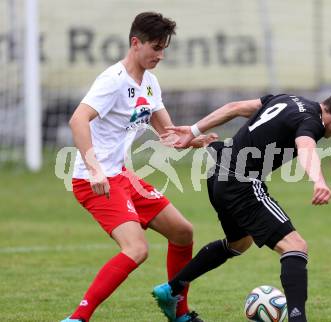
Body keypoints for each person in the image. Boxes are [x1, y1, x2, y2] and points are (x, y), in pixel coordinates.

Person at [152, 88, 331, 322]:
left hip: (218, 175)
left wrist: (194, 130)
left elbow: (233, 108)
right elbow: (306, 146)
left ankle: (171, 289)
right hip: (241, 183)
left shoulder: (288, 99)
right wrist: (318, 180)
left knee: (239, 243)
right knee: (295, 247)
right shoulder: (311, 121)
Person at [61, 12, 215, 322]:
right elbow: (78, 119)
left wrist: (192, 139)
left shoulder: (149, 82)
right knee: (136, 249)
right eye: (156, 48)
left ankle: (177, 308)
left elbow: (166, 133)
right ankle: (78, 318)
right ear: (135, 43)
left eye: (164, 49)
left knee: (183, 232)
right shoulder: (112, 81)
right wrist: (94, 168)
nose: (160, 55)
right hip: (93, 180)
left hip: (121, 175)